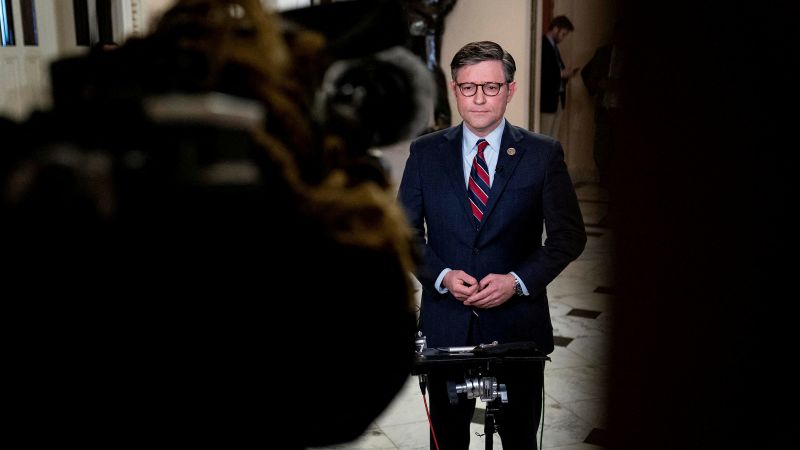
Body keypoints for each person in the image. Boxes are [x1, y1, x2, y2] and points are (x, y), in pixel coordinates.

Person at [398, 40, 587, 450]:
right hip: (447, 325)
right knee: (447, 440)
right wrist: (442, 276)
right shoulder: (425, 153)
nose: (479, 98)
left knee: (519, 439)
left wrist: (517, 281)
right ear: (455, 89)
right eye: (468, 87)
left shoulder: (542, 154)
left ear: (510, 89)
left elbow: (569, 236)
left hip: (517, 326)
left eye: (491, 86)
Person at [581, 22, 624, 189]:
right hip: (605, 109)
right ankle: (605, 180)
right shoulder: (604, 52)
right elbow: (587, 73)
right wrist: (598, 85)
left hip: (622, 111)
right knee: (601, 148)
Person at [540, 15, 579, 138]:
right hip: (547, 101)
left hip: (557, 99)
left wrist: (565, 73)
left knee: (552, 138)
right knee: (544, 137)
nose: (563, 38)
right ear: (556, 28)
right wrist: (561, 74)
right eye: (563, 34)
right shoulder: (543, 44)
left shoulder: (554, 47)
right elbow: (543, 72)